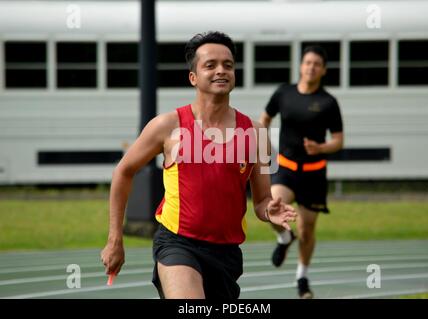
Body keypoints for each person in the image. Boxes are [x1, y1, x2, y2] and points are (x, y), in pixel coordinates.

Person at [100, 31, 296, 299]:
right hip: (178, 243)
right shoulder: (168, 126)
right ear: (193, 77)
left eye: (228, 65)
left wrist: (268, 211)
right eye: (210, 65)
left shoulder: (255, 132)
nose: (221, 71)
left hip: (226, 253)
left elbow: (261, 200)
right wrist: (115, 239)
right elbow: (123, 171)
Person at [259, 45, 344, 299]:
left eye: (317, 64)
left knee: (307, 231)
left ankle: (302, 278)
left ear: (324, 70)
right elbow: (264, 118)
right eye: (307, 62)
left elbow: (339, 141)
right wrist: (266, 146)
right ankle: (285, 238)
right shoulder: (284, 93)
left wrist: (321, 147)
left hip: (314, 173)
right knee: (271, 209)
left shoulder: (328, 102)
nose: (311, 67)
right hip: (286, 168)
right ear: (300, 66)